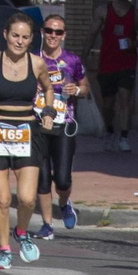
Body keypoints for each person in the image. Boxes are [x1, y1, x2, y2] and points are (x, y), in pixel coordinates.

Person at [0, 13, 56, 269]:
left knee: (28, 199)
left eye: (25, 37)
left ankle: (21, 231)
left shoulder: (37, 63)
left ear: (31, 39)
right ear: (5, 35)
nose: (19, 41)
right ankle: (4, 250)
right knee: (3, 199)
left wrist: (48, 112)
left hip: (27, 131)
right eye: (15, 36)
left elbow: (48, 88)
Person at [36, 13, 88, 238]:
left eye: (58, 32)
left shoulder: (73, 60)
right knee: (43, 177)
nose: (53, 36)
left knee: (63, 179)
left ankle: (65, 203)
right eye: (49, 31)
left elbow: (85, 87)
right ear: (42, 32)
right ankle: (47, 225)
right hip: (37, 124)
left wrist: (76, 90)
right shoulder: (33, 59)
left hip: (64, 124)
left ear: (64, 35)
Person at [91, 0, 138, 152]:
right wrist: (82, 56)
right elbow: (91, 34)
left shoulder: (136, 15)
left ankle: (124, 136)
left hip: (127, 63)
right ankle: (110, 130)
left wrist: (135, 42)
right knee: (108, 104)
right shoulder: (103, 11)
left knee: (125, 97)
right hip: (107, 62)